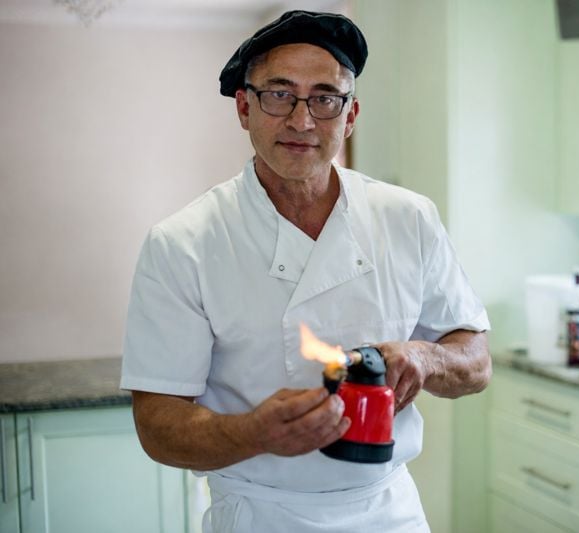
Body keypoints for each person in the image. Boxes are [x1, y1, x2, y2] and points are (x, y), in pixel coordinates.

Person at [120, 9, 491, 533]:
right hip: (260, 515)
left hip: (389, 512)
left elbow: (476, 361)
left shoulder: (408, 217)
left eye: (324, 98)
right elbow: (157, 425)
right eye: (279, 94)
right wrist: (254, 432)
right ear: (244, 107)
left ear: (351, 115)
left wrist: (425, 357)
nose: (302, 121)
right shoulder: (183, 244)